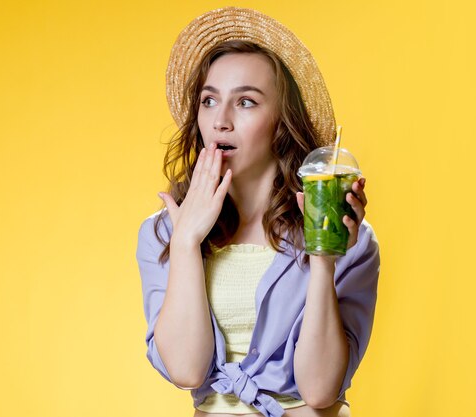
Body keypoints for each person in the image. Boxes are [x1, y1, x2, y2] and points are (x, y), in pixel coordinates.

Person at [136, 7, 380, 417]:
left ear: (281, 122)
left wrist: (324, 260)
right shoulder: (164, 232)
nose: (221, 121)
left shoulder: (345, 234)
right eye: (209, 100)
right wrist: (185, 243)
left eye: (246, 102)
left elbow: (320, 390)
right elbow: (187, 370)